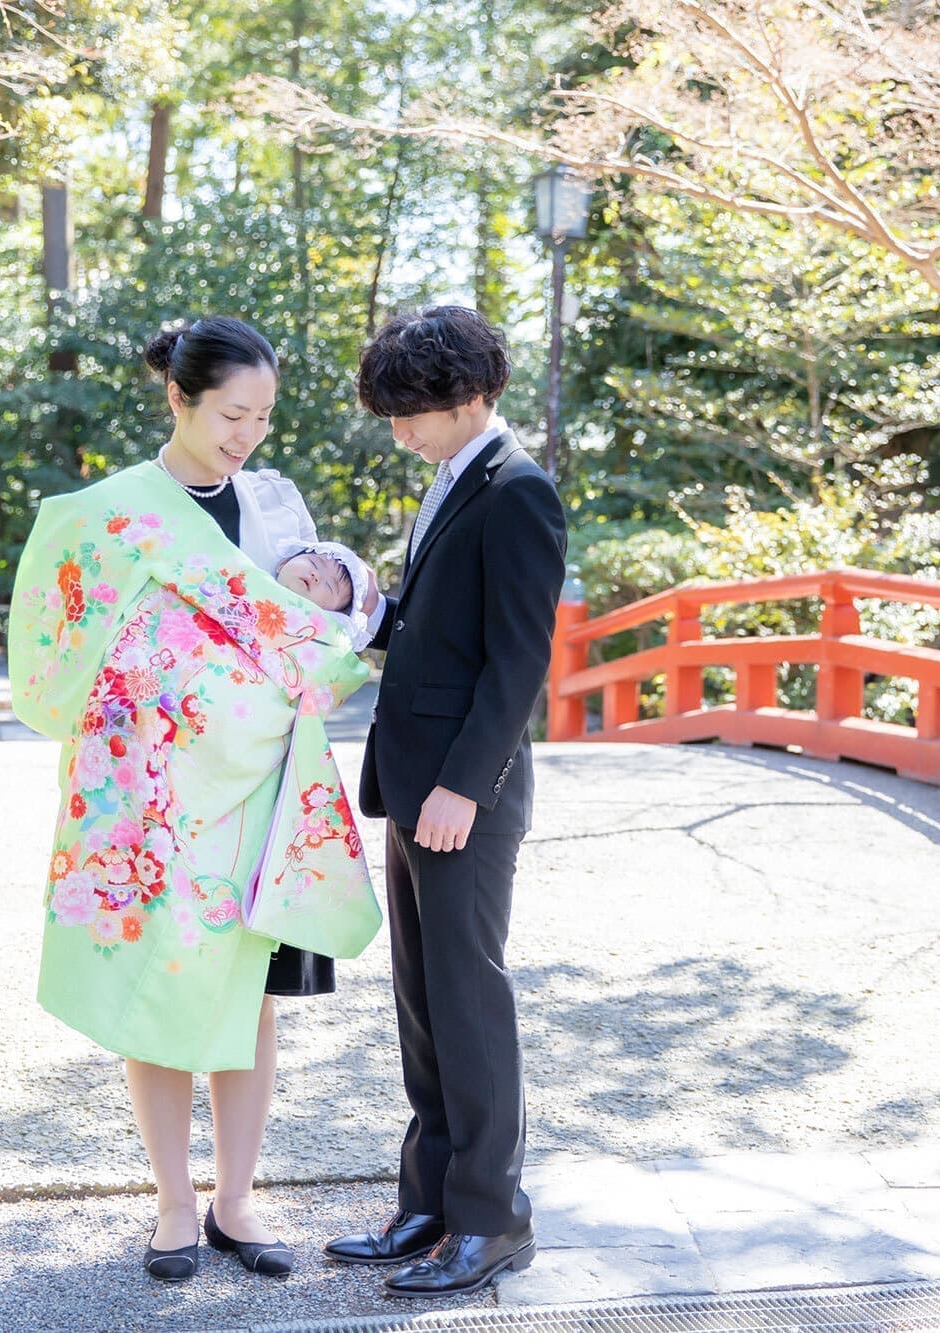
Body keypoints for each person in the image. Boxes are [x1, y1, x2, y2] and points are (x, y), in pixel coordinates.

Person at [8, 316, 382, 1283]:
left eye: (261, 416)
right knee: (159, 985)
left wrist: (341, 597)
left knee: (249, 992)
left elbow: (323, 624)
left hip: (260, 785)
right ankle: (175, 1201)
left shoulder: (273, 503)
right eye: (229, 414)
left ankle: (237, 1198)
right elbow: (61, 645)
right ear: (177, 399)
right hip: (152, 796)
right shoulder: (117, 512)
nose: (246, 435)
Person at [324, 306, 567, 1296]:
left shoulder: (517, 492)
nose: (398, 432)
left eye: (409, 414)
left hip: (464, 792)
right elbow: (437, 634)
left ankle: (490, 1218)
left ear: (467, 400)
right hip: (416, 779)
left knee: (468, 1001)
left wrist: (464, 788)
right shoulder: (452, 477)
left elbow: (516, 665)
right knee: (422, 1004)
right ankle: (427, 1201)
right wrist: (357, 603)